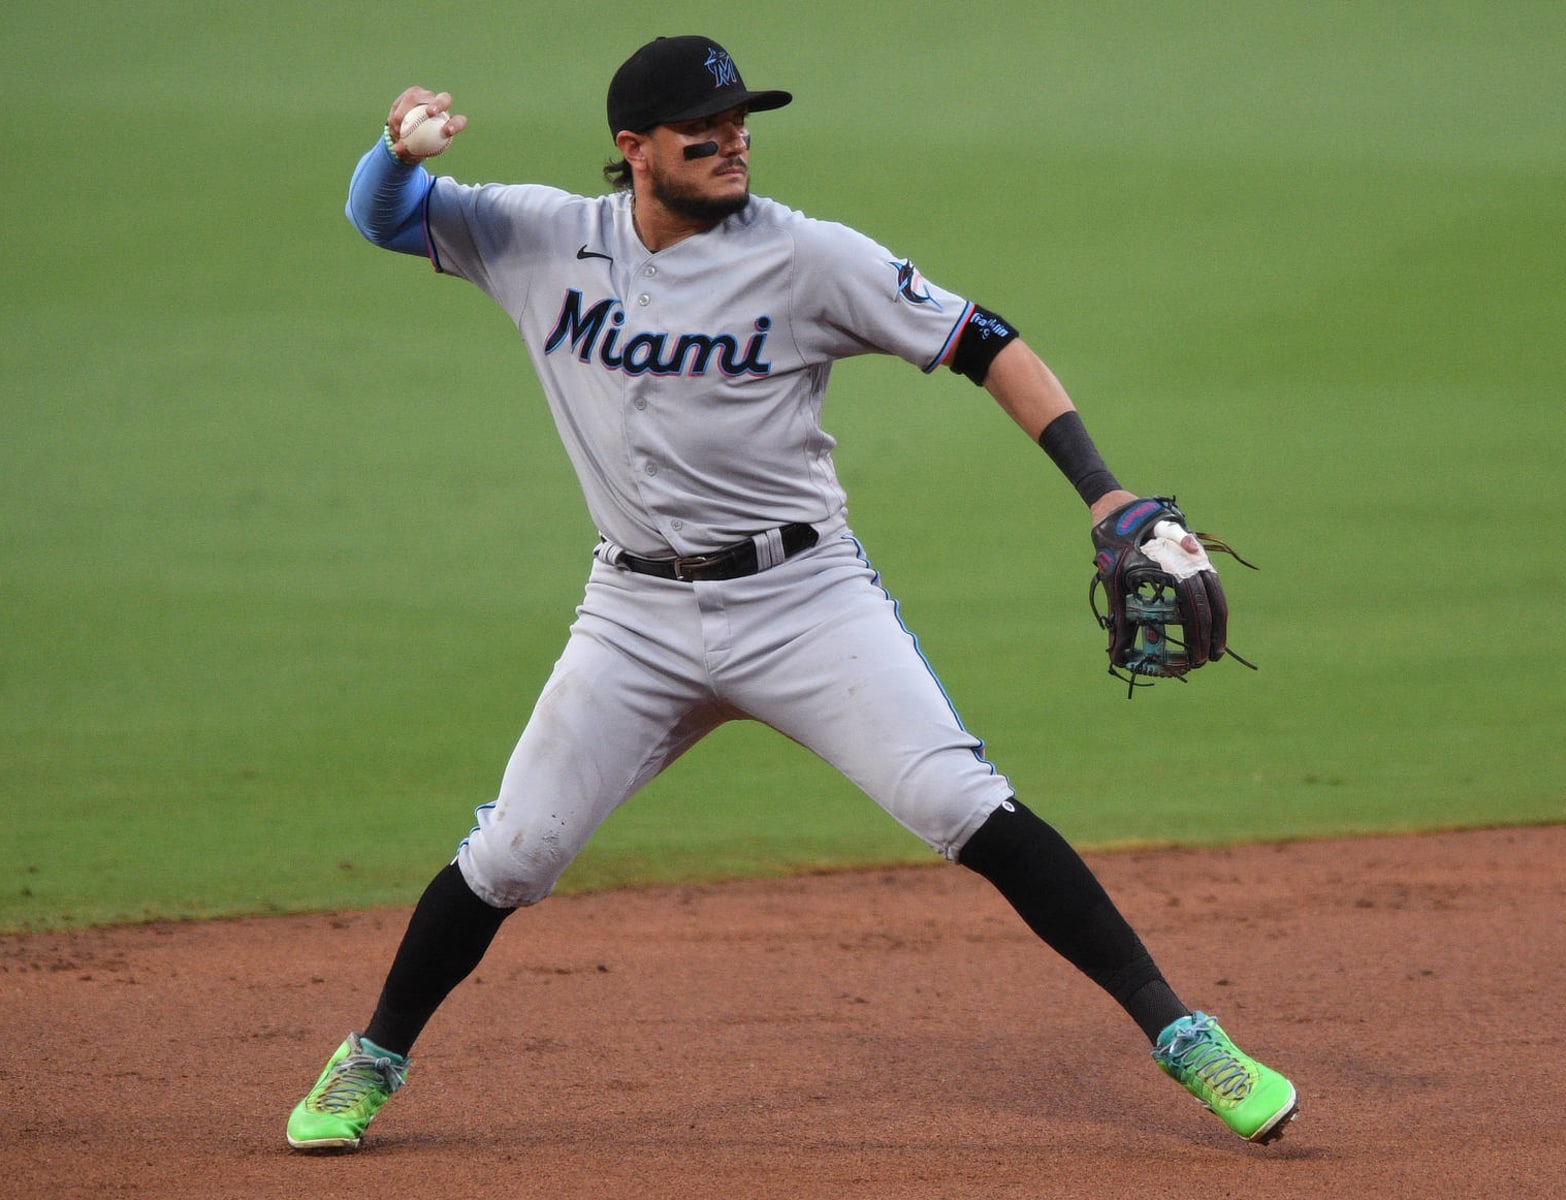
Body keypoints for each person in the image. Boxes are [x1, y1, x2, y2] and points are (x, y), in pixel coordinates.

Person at [286, 35, 1298, 1153]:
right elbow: (385, 216)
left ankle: (1185, 1037)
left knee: (962, 804)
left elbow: (985, 342)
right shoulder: (535, 236)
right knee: (514, 853)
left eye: (743, 127)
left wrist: (1103, 495)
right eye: (702, 135)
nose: (733, 148)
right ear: (633, 151)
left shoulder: (810, 257)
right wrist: (393, 149)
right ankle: (370, 1057)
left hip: (805, 602)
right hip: (633, 617)